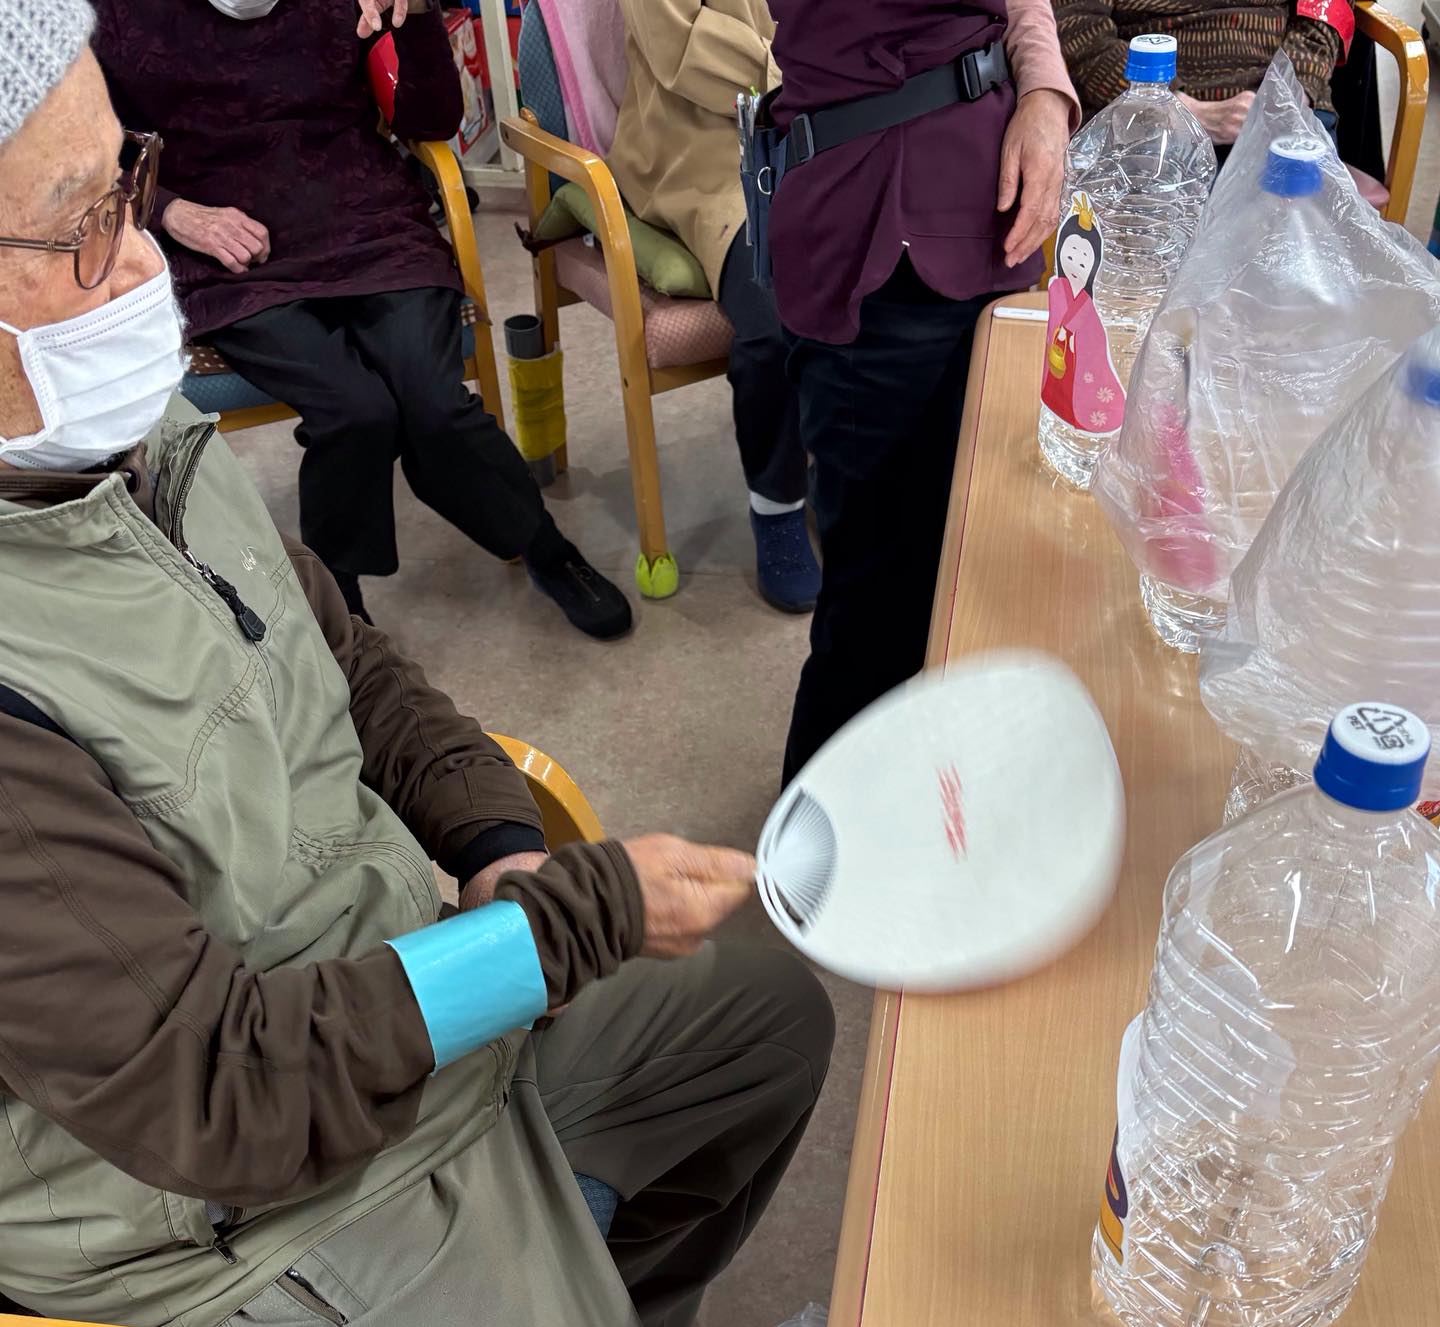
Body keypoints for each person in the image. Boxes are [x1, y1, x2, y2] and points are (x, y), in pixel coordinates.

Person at [0, 0, 835, 1327]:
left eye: (133, 188)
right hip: (236, 1209)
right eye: (84, 230)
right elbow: (222, 1099)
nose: (145, 258)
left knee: (758, 1008)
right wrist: (560, 924)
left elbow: (358, 676)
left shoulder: (126, 444)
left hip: (401, 986)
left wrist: (503, 848)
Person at [90, 0, 634, 641]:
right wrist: (173, 212)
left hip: (366, 221)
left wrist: (420, 16)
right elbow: (86, 158)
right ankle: (340, 609)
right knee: (355, 410)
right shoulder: (111, 14)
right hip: (232, 250)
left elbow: (433, 121)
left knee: (434, 403)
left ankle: (544, 547)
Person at [767, 0, 1078, 783]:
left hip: (990, 222)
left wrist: (1045, 93)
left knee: (976, 565)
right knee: (880, 605)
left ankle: (921, 798)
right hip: (880, 239)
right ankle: (816, 849)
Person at [608, 0, 819, 615]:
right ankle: (777, 505)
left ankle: (840, 467)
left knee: (886, 272)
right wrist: (810, 70)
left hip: (818, 125)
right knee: (775, 311)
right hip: (701, 154)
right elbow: (679, 46)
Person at [1054, 0, 1349, 148]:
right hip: (1145, 108)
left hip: (1282, 103)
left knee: (1297, 232)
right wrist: (1178, 112)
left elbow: (1324, 11)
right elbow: (1078, 28)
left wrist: (1286, 94)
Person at [1040, 193, 1125, 434]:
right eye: (1069, 256)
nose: (1075, 265)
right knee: (1059, 391)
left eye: (1083, 260)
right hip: (1061, 355)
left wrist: (1069, 333)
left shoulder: (1088, 302)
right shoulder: (1058, 286)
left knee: (1085, 388)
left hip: (1079, 357)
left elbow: (1092, 333)